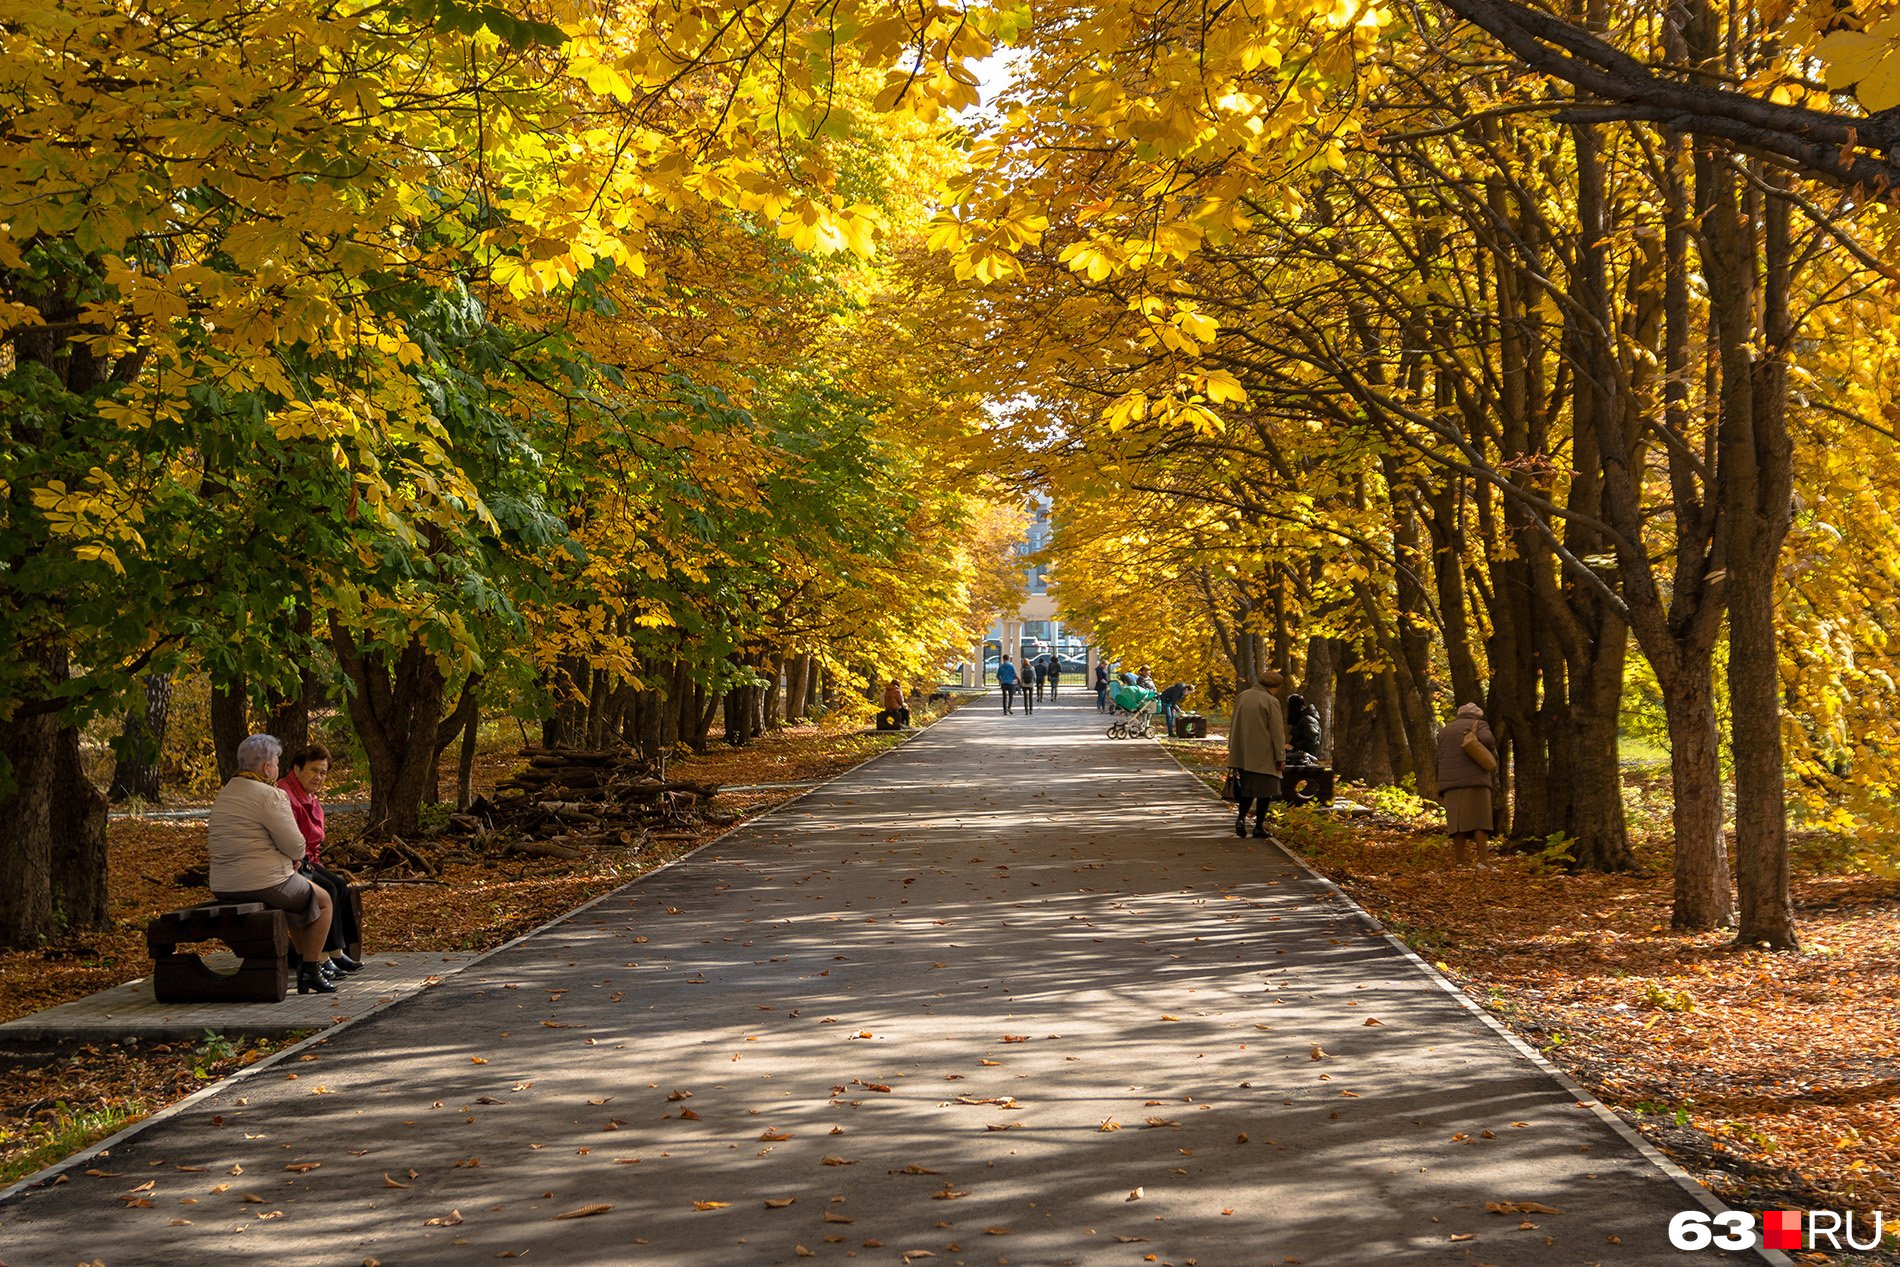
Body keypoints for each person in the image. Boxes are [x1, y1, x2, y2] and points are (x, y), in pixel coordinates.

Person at [209, 734, 338, 995]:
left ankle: (306, 965)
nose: (278, 767)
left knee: (296, 903)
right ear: (267, 767)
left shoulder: (226, 793)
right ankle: (311, 969)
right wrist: (289, 858)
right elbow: (296, 846)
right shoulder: (271, 795)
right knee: (323, 901)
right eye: (277, 762)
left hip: (222, 884)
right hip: (261, 882)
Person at [277, 743, 365, 979]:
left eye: (323, 772)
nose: (319, 777)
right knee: (328, 890)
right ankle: (322, 957)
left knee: (339, 885)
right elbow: (292, 838)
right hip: (290, 863)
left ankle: (337, 952)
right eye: (314, 770)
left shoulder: (308, 796)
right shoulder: (285, 794)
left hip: (308, 860)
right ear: (297, 769)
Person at [1226, 670, 1287, 839]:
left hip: (1243, 752)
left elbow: (1234, 723)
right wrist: (1280, 757)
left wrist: (1233, 748)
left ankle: (1240, 819)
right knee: (1265, 792)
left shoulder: (1243, 696)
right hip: (1264, 754)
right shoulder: (1271, 701)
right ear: (1273, 687)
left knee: (1247, 789)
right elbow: (1277, 731)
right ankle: (1259, 826)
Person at [1436, 702, 1498, 866]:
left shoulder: (1444, 731)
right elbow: (1488, 740)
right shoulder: (1479, 724)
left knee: (1457, 824)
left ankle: (1460, 861)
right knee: (1480, 821)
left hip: (1450, 783)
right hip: (1475, 779)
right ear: (1476, 714)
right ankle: (1483, 861)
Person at [1285, 692, 1323, 765]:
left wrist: (1293, 746)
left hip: (1305, 756)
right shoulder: (1301, 719)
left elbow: (1312, 741)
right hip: (1299, 754)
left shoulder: (1307, 720)